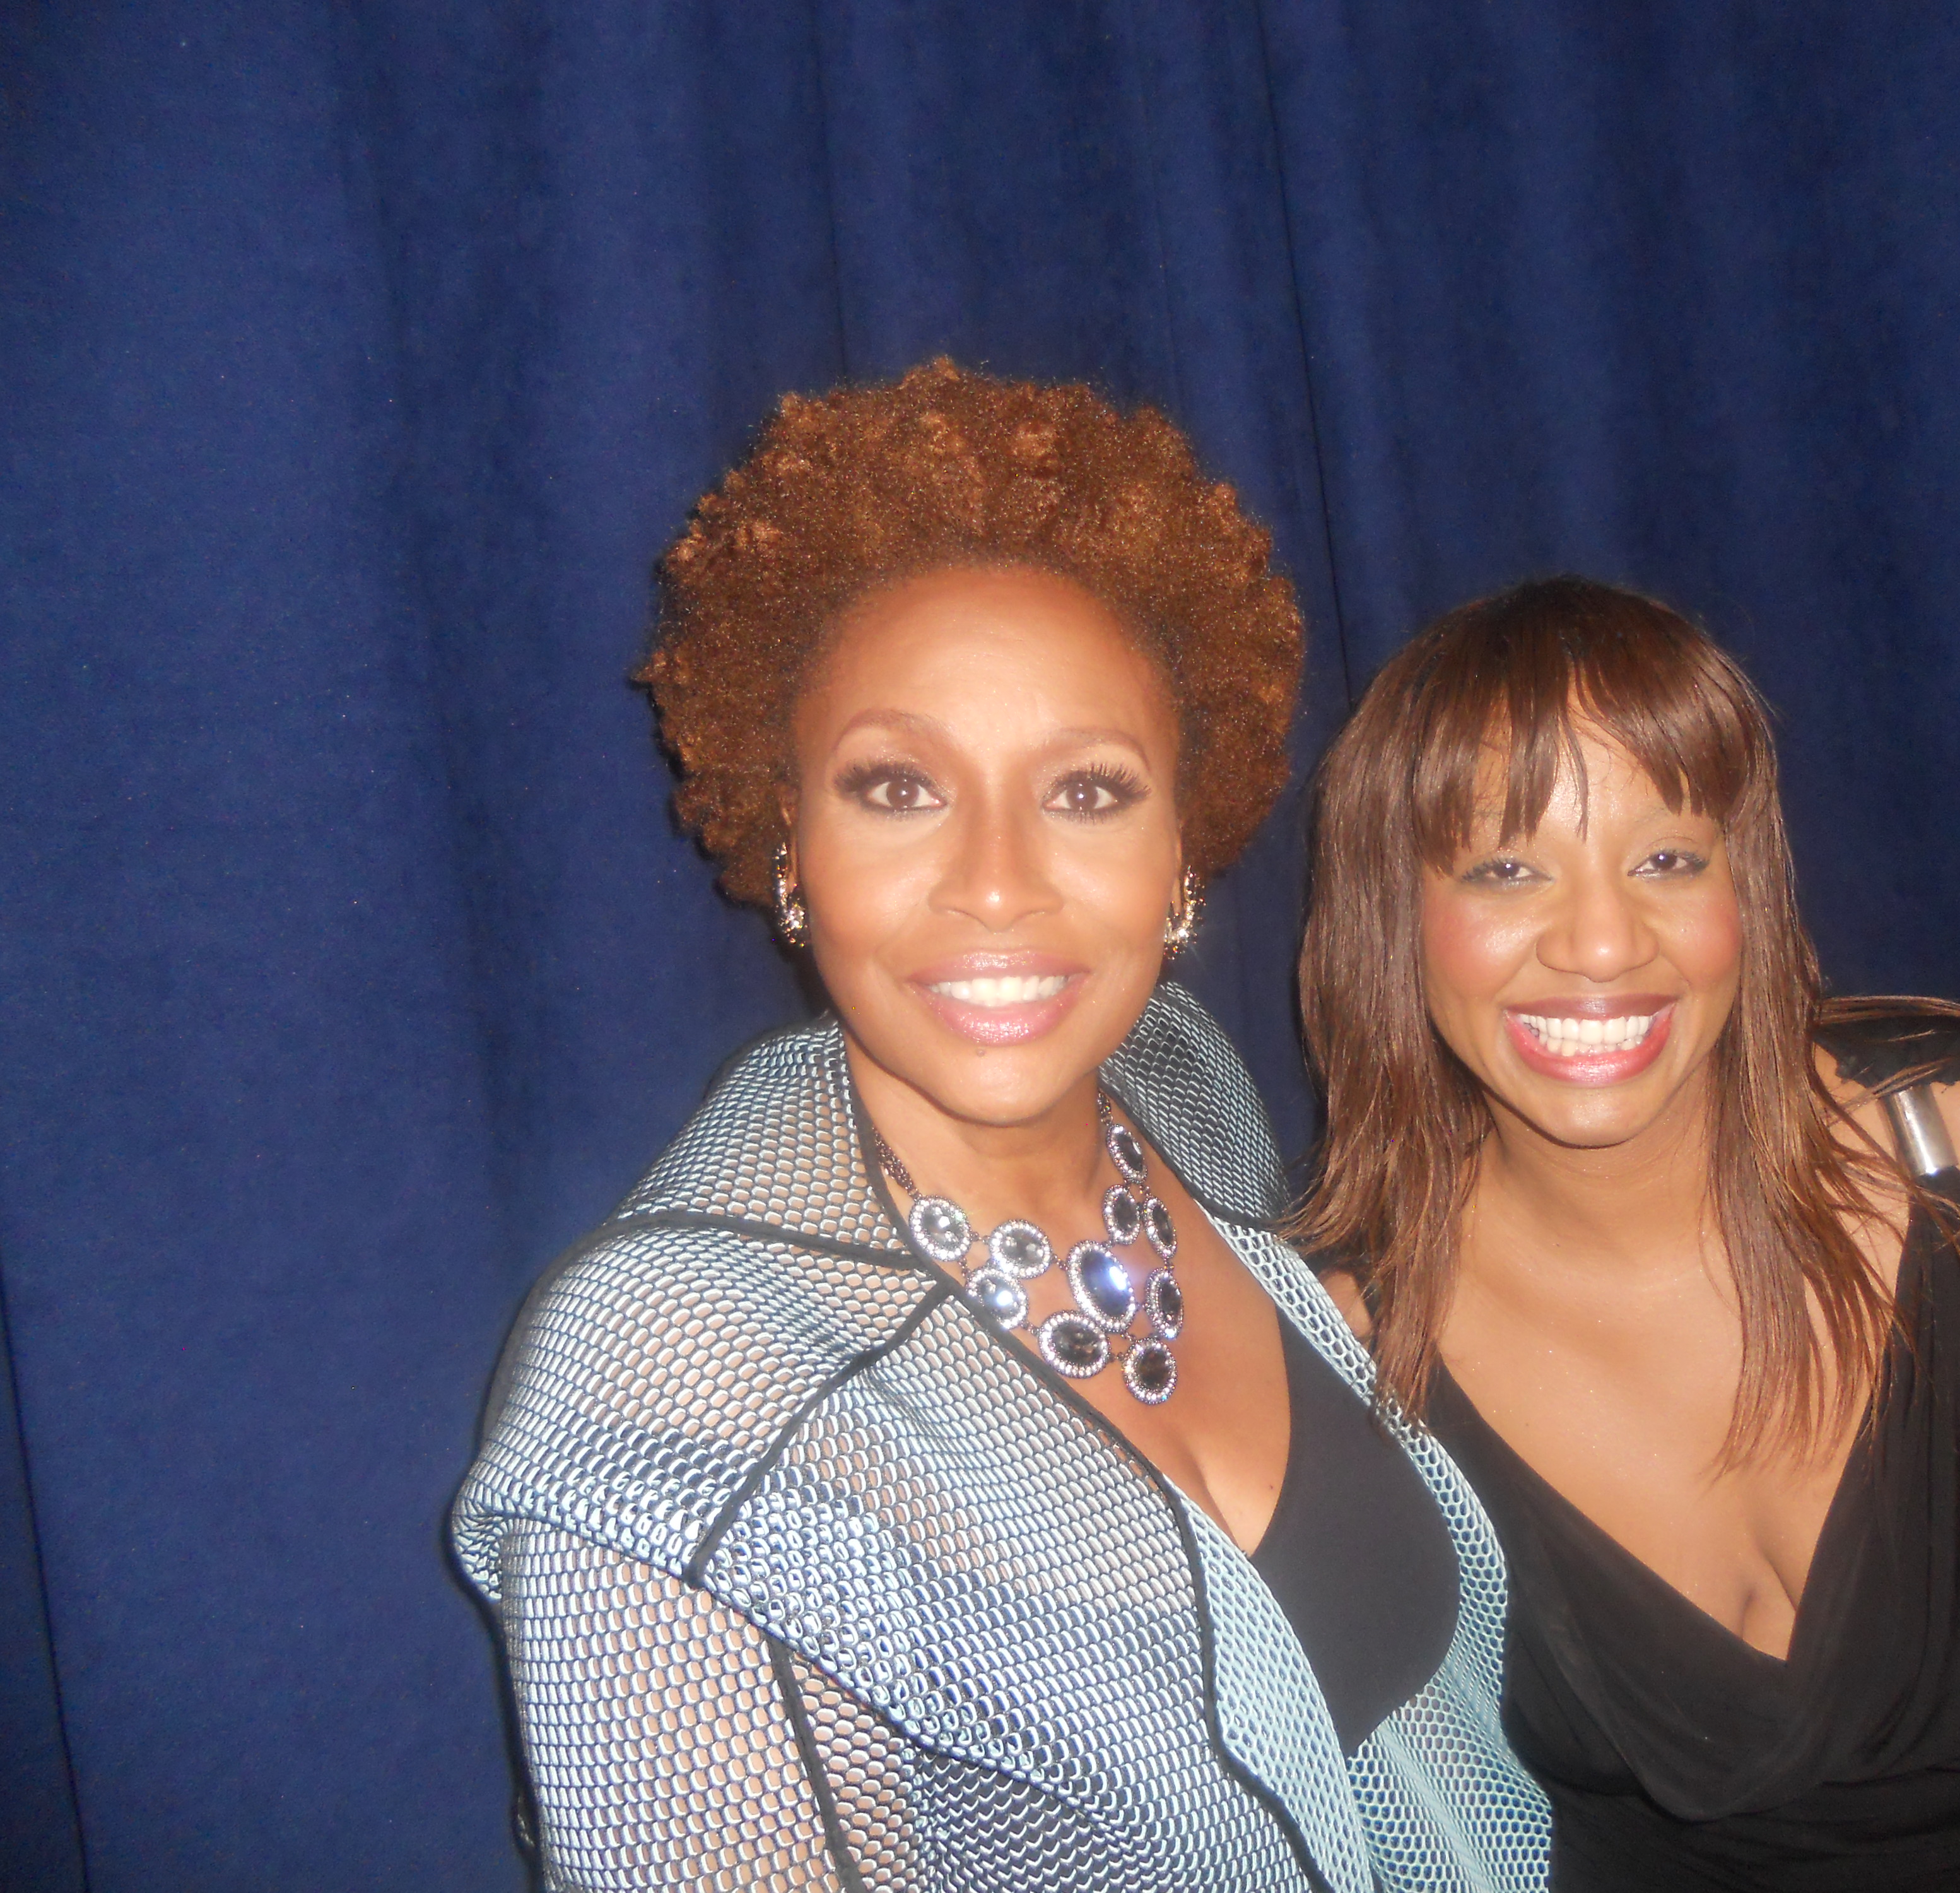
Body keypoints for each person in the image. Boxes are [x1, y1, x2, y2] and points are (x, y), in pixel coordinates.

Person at [452, 363, 1549, 1892]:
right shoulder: (677, 1381)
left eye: (1087, 791)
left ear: (1183, 851)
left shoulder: (1182, 1093)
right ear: (790, 845)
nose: (992, 881)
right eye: (897, 786)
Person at [1296, 577, 1960, 1892]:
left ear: (1748, 886)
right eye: (1506, 868)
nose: (1599, 941)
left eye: (1667, 858)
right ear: (1393, 917)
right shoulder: (1347, 1333)